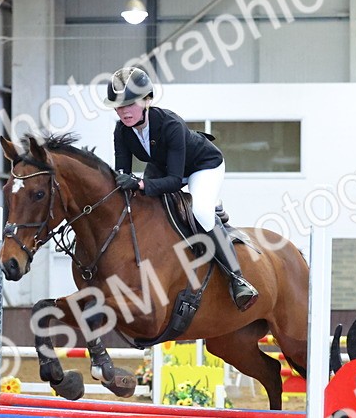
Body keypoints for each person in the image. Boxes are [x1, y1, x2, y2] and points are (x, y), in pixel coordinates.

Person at [105, 66, 259, 312]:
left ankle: (237, 279)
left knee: (200, 212)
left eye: (130, 104)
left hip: (202, 166)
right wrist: (123, 183)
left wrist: (142, 184)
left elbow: (176, 180)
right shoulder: (121, 131)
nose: (124, 111)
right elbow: (122, 171)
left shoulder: (170, 124)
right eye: (118, 106)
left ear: (147, 100)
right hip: (161, 167)